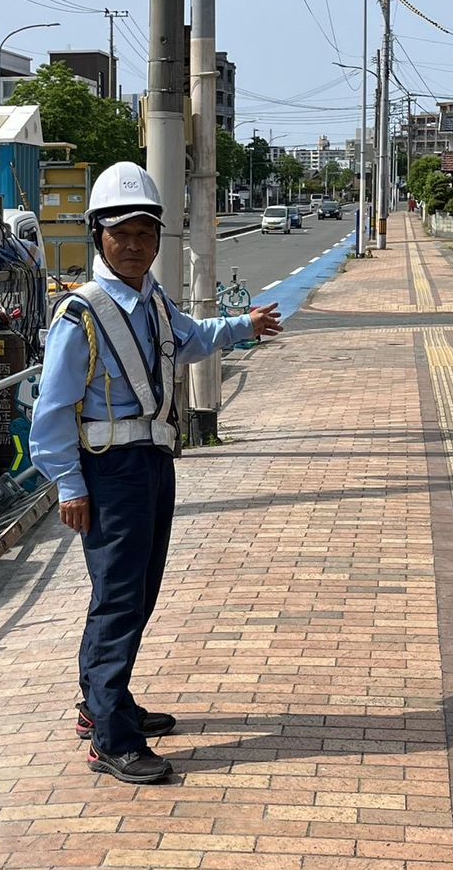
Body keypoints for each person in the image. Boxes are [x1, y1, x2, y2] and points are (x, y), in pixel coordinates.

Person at [29, 162, 282, 784]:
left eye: (147, 233)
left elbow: (193, 339)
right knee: (117, 599)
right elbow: (52, 410)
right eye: (123, 234)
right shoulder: (80, 315)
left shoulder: (154, 300)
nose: (137, 246)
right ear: (98, 236)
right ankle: (112, 738)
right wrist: (68, 484)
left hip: (152, 463)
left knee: (136, 593)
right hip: (107, 471)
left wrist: (243, 328)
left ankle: (103, 704)